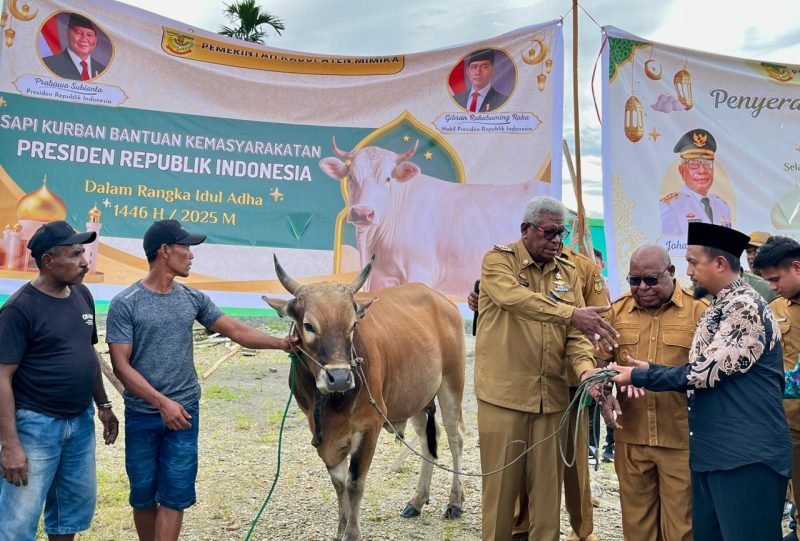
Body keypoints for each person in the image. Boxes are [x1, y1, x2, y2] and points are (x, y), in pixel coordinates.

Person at [106, 220, 294, 541]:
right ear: (165, 251)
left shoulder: (193, 298)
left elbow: (236, 330)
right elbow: (121, 366)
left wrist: (282, 343)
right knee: (143, 495)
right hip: (143, 415)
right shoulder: (126, 303)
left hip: (184, 414)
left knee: (175, 495)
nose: (191, 255)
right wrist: (161, 403)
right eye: (185, 247)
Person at [612, 222, 791, 541]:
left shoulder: (744, 307)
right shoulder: (717, 306)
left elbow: (705, 372)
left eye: (694, 261)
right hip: (715, 454)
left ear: (720, 263)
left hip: (746, 456)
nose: (688, 270)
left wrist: (642, 374)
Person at [474, 195, 599, 540]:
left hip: (552, 399)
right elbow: (513, 299)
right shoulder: (498, 262)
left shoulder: (568, 271)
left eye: (562, 233)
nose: (557, 241)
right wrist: (570, 312)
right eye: (549, 232)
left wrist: (586, 369)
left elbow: (576, 333)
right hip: (505, 397)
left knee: (547, 499)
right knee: (500, 496)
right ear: (525, 230)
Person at [0, 220, 119, 541]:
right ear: (49, 261)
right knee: (17, 521)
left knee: (70, 514)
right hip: (35, 426)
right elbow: (2, 378)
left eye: (84, 253)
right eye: (76, 254)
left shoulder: (83, 295)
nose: (85, 261)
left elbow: (88, 352)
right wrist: (10, 445)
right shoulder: (19, 309)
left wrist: (104, 405)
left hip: (80, 423)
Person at [599, 244, 707, 541]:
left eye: (651, 279)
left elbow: (710, 376)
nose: (643, 287)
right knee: (637, 528)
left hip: (681, 441)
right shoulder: (617, 312)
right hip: (631, 437)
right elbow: (596, 360)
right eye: (635, 281)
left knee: (683, 529)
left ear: (671, 273)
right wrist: (607, 380)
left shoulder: (700, 312)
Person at [752, 236, 800, 541]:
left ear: (796, 267)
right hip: (790, 425)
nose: (772, 286)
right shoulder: (773, 309)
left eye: (775, 278)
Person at [660, 129, 732, 236]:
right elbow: (670, 250)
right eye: (694, 163)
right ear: (682, 171)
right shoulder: (671, 207)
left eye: (707, 163)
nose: (702, 170)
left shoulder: (723, 206)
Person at [43, 13, 107, 81]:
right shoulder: (48, 64)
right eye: (78, 33)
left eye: (89, 35)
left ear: (95, 40)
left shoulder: (103, 70)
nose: (84, 39)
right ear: (67, 34)